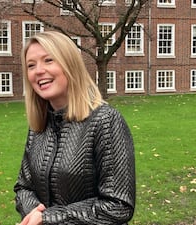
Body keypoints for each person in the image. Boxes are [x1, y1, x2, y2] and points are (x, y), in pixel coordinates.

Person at [14, 31, 135, 225]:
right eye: (31, 65)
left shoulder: (105, 121)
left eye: (48, 60)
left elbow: (118, 205)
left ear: (70, 64)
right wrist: (33, 214)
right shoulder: (39, 126)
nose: (38, 70)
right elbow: (24, 187)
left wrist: (48, 218)